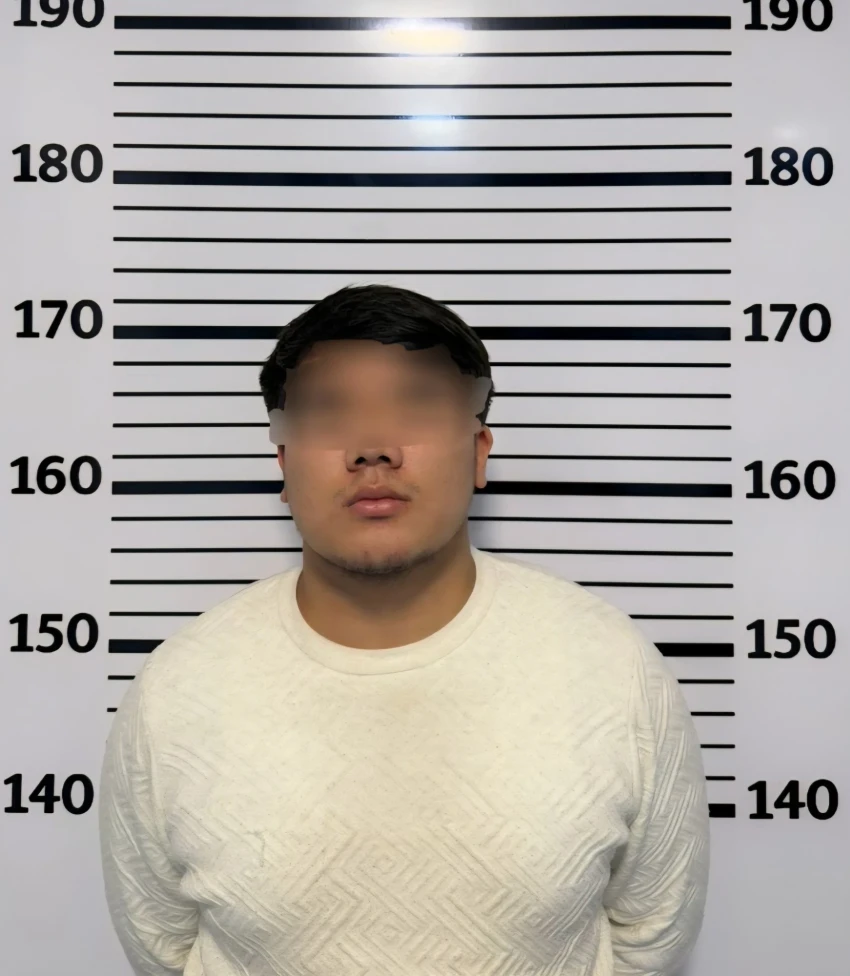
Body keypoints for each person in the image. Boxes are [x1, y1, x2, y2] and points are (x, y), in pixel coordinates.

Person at [98, 283, 710, 976]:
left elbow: (649, 936)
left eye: (416, 404)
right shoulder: (178, 690)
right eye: (328, 412)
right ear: (284, 464)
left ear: (478, 452)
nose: (373, 447)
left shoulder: (612, 668)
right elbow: (164, 947)